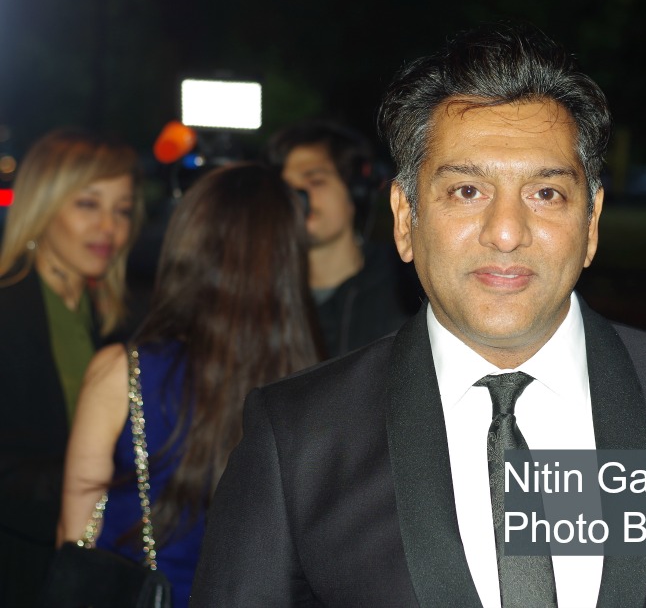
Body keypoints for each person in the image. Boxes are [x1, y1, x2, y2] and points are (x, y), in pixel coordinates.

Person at [191, 24, 646, 607]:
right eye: (467, 191)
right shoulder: (298, 438)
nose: (507, 231)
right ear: (406, 219)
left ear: (591, 223)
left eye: (546, 193)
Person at [57, 164, 321, 608]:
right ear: (288, 261)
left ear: (186, 247)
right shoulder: (321, 391)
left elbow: (75, 535)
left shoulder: (122, 373)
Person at [0, 128, 142, 605]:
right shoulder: (8, 310)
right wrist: (96, 491)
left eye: (122, 210)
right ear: (43, 205)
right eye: (88, 204)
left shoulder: (121, 319)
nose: (109, 227)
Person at [266, 119, 418, 358]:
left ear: (355, 192)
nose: (299, 197)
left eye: (315, 181)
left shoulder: (406, 284)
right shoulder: (263, 290)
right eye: (288, 188)